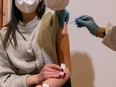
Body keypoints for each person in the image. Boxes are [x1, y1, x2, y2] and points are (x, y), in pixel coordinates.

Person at [0, 0, 71, 87]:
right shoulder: (4, 35)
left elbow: (65, 68)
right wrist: (36, 78)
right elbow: (3, 80)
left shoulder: (54, 21)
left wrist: (44, 85)